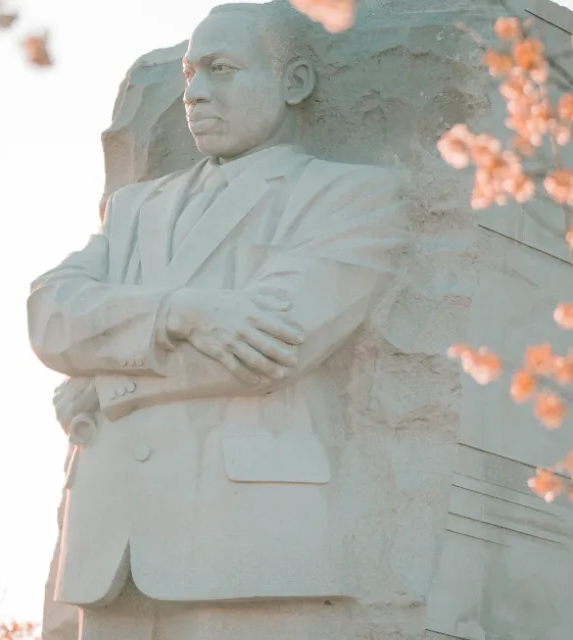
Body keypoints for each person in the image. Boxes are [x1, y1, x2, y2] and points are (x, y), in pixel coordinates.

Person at [26, 2, 406, 638]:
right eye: (188, 74)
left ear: (294, 83)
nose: (195, 93)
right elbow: (49, 314)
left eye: (221, 69)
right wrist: (183, 311)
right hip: (108, 550)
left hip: (249, 544)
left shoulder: (347, 196)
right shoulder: (132, 210)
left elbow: (273, 347)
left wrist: (102, 379)